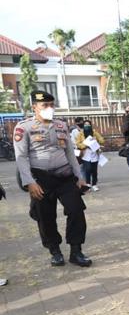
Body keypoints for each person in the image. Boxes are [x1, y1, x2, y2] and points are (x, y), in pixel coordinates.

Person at [14, 90, 92, 267]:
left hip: (65, 176)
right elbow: (21, 157)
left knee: (76, 210)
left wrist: (79, 177)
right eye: (45, 105)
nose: (49, 108)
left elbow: (70, 153)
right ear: (35, 107)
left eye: (51, 105)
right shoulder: (23, 127)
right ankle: (54, 251)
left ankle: (76, 250)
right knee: (45, 216)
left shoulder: (61, 125)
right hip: (40, 179)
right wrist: (29, 182)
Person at [74, 119, 104, 191]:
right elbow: (78, 144)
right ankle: (88, 184)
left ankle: (94, 184)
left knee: (94, 170)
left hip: (94, 154)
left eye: (88, 124)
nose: (87, 126)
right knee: (87, 169)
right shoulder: (80, 134)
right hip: (85, 155)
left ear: (90, 125)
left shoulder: (95, 133)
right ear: (83, 126)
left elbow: (102, 140)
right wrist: (85, 144)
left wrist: (96, 140)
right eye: (85, 125)